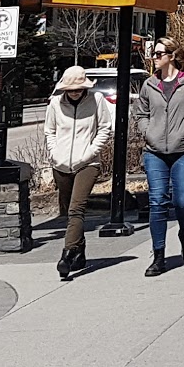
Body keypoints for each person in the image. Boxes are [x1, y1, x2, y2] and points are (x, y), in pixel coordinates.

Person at [135, 37, 184, 276]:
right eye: (153, 54)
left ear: (171, 55)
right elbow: (141, 113)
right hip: (154, 151)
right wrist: (147, 131)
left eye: (158, 54)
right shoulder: (149, 84)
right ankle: (158, 256)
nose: (154, 58)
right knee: (157, 202)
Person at [45, 64, 115, 280]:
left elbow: (105, 127)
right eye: (70, 89)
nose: (74, 92)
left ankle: (66, 255)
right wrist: (55, 153)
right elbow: (50, 130)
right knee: (68, 211)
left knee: (77, 208)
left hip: (88, 164)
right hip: (61, 165)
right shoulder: (55, 104)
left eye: (78, 88)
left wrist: (92, 151)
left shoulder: (96, 101)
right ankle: (80, 249)